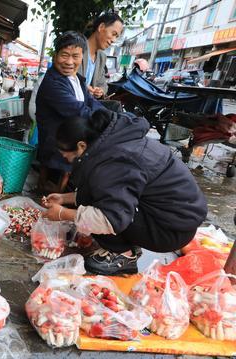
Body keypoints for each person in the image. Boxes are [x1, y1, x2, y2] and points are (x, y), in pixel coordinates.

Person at [42, 108, 207, 275]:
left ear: (81, 146)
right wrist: (65, 198)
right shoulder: (114, 143)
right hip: (170, 216)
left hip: (170, 230)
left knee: (104, 213)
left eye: (66, 156)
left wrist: (63, 213)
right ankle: (128, 244)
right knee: (98, 196)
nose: (67, 161)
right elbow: (105, 189)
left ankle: (123, 256)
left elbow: (110, 218)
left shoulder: (116, 160)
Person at [35, 31, 104, 192]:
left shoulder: (76, 79)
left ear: (82, 57)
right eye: (64, 55)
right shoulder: (53, 82)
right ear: (55, 56)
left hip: (71, 132)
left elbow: (90, 101)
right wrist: (104, 119)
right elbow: (78, 110)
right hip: (56, 140)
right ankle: (60, 193)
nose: (69, 62)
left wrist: (108, 115)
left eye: (76, 56)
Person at [80, 12, 123, 99]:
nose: (114, 40)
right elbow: (68, 77)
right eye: (113, 34)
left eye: (117, 37)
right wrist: (83, 88)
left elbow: (104, 85)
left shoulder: (101, 57)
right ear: (101, 27)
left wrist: (100, 91)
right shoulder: (78, 47)